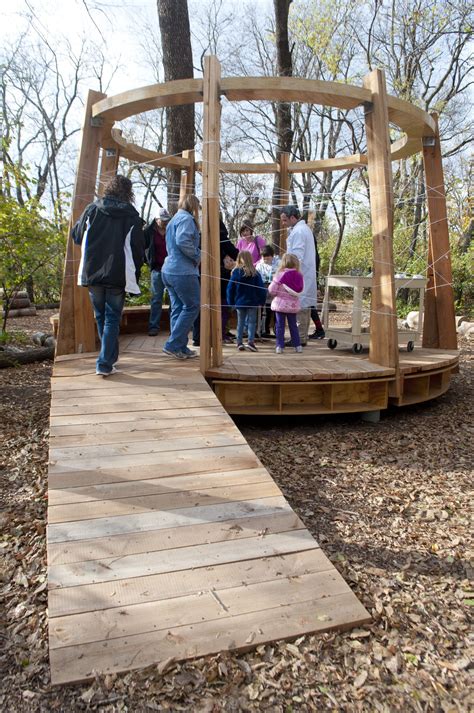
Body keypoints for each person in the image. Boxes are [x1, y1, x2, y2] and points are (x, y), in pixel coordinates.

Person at [72, 174, 144, 377]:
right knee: (111, 318)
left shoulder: (92, 209)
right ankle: (105, 362)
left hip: (92, 271)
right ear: (128, 192)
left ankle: (108, 360)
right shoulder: (131, 216)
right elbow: (138, 249)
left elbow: (77, 236)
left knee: (102, 316)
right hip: (117, 274)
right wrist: (135, 272)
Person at [161, 194, 201, 359]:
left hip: (168, 270)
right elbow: (183, 241)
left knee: (178, 308)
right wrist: (198, 255)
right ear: (194, 206)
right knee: (192, 306)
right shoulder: (186, 220)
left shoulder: (173, 220)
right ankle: (173, 344)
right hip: (182, 272)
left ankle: (180, 347)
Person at [280, 205, 318, 346]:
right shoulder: (303, 229)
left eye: (285, 220)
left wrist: (286, 269)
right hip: (305, 273)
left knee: (300, 305)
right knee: (304, 305)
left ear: (292, 217)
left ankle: (299, 338)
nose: (283, 223)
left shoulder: (299, 232)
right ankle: (301, 337)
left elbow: (296, 256)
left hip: (300, 274)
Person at [226, 250, 266, 352]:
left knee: (240, 322)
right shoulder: (255, 273)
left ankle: (239, 342)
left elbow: (230, 288)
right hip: (253, 302)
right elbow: (261, 289)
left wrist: (230, 302)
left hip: (240, 302)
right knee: (252, 322)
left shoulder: (236, 272)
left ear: (239, 258)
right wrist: (262, 301)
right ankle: (250, 342)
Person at [268, 253, 304, 354]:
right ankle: (297, 346)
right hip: (293, 305)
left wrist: (276, 294)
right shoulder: (299, 275)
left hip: (281, 305)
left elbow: (272, 290)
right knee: (293, 325)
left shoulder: (280, 274)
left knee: (280, 325)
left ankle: (280, 346)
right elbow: (301, 289)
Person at [144, 207, 171, 336]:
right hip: (157, 269)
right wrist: (148, 261)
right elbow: (143, 248)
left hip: (171, 269)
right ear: (156, 219)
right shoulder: (148, 232)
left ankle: (175, 326)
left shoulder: (171, 230)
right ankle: (153, 326)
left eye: (167, 220)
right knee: (156, 299)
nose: (165, 222)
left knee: (174, 298)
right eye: (163, 220)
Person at [219, 218, 239, 342]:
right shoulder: (222, 237)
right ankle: (221, 333)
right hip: (222, 277)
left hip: (220, 275)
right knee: (223, 307)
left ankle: (224, 331)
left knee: (224, 307)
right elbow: (234, 252)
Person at [256, 245, 280, 337]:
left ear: (272, 256)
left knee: (272, 309)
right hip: (263, 288)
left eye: (268, 257)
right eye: (264, 258)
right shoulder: (260, 264)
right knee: (262, 309)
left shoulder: (278, 263)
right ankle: (263, 329)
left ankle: (273, 328)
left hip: (274, 289)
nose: (266, 260)